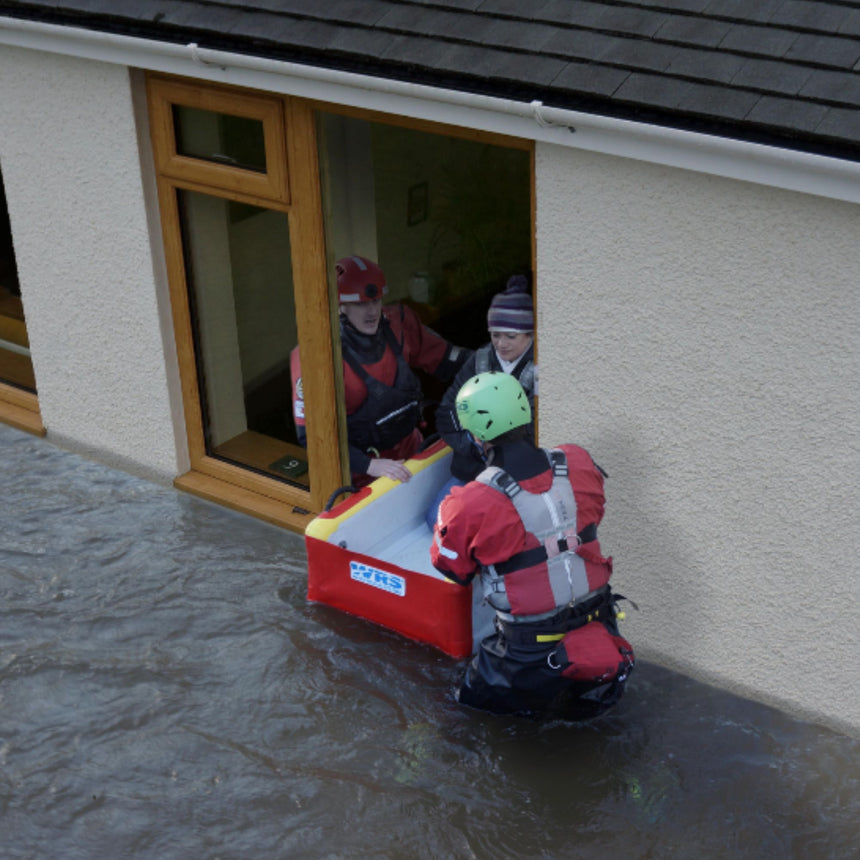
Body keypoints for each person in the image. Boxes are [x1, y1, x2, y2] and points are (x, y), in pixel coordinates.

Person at [430, 372, 634, 719]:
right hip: (600, 629)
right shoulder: (578, 463)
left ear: (476, 436)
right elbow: (594, 514)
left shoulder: (469, 503)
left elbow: (454, 570)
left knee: (462, 717)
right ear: (525, 412)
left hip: (527, 652)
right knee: (591, 718)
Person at [291, 255, 469, 486]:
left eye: (375, 301)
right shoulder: (315, 357)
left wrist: (495, 363)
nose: (372, 311)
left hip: (412, 451)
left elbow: (447, 359)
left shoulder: (398, 323)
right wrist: (369, 466)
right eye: (361, 303)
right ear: (340, 306)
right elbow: (313, 437)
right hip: (362, 471)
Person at [426, 274, 536, 526]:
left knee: (501, 528)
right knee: (437, 520)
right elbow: (446, 411)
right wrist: (470, 443)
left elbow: (535, 426)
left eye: (511, 336)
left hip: (517, 474)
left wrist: (496, 444)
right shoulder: (480, 360)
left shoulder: (539, 368)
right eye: (495, 334)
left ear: (529, 334)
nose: (501, 343)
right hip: (472, 468)